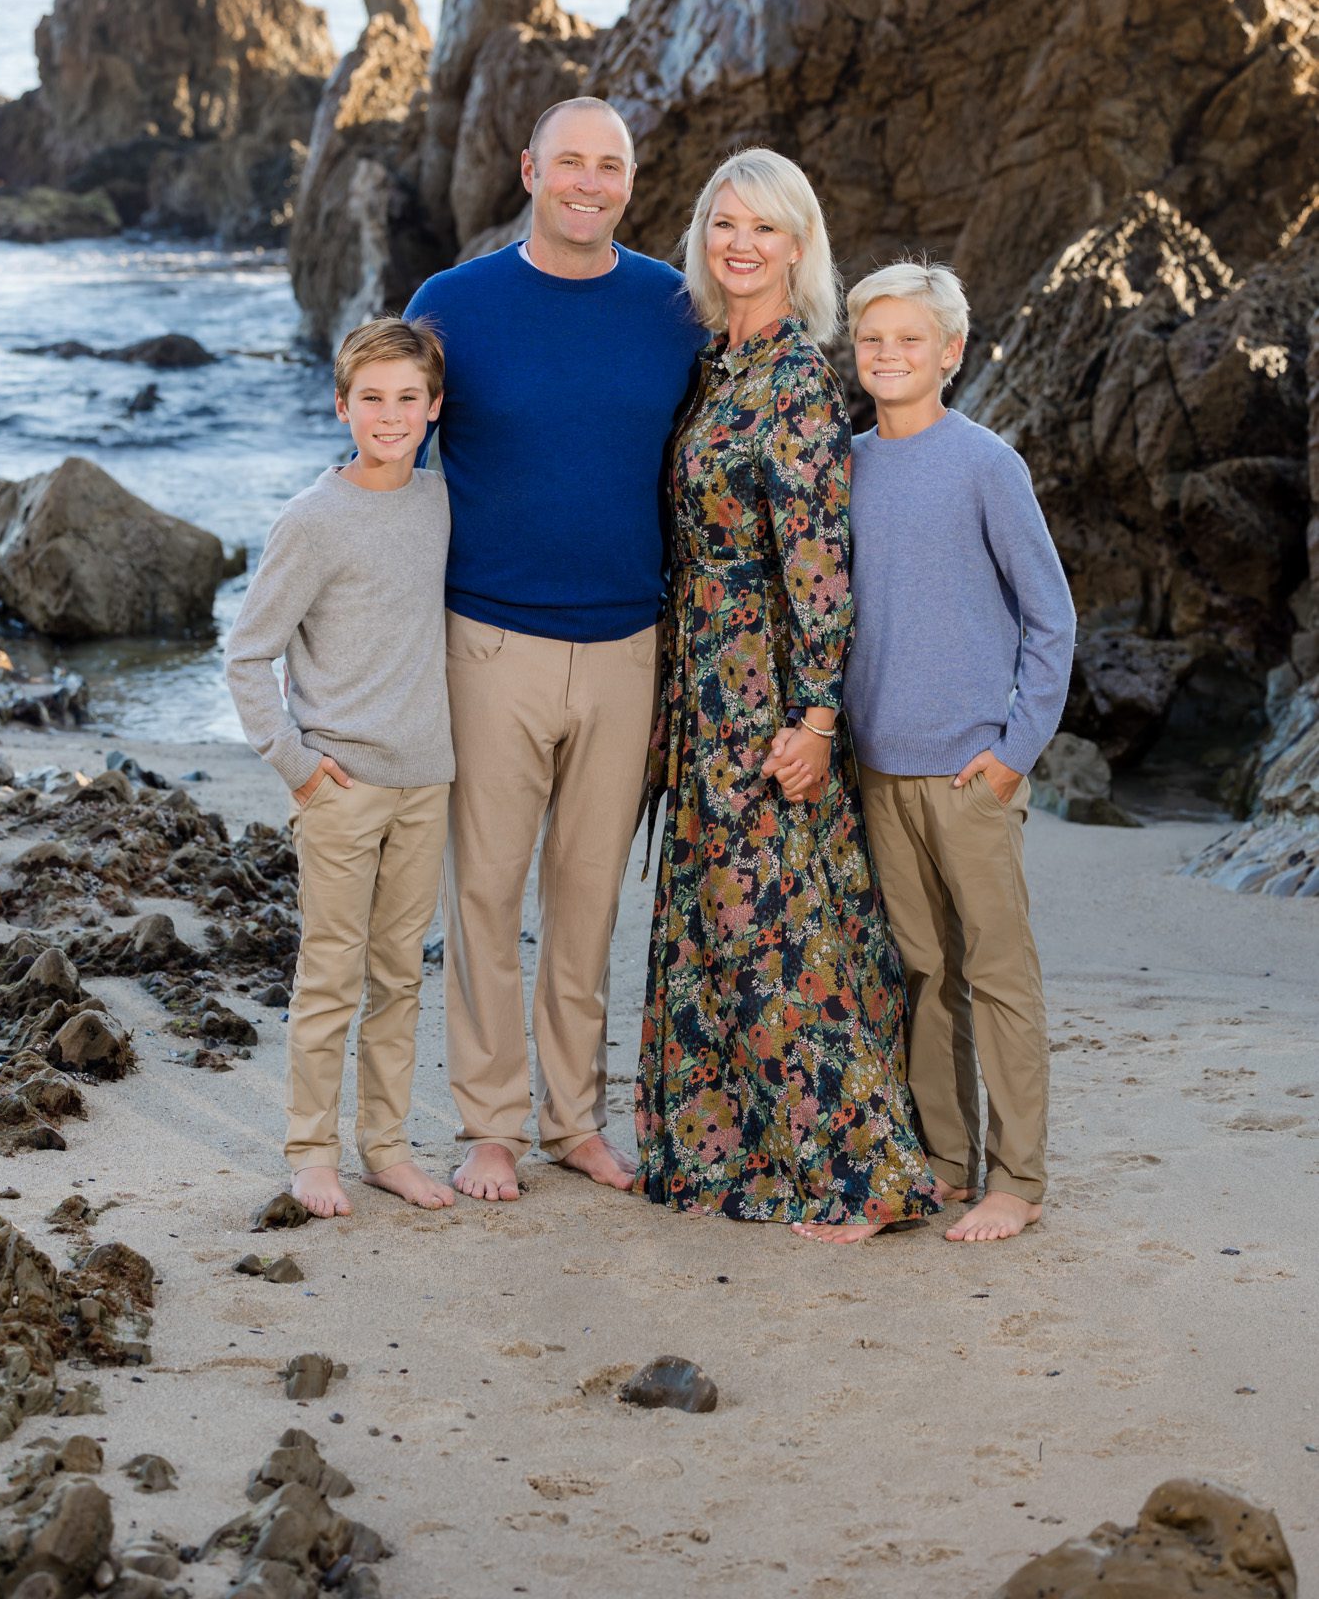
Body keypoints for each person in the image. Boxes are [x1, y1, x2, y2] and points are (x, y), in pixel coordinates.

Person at [634, 148, 938, 1242]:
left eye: (764, 226)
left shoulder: (800, 378)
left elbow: (818, 562)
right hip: (704, 684)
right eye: (725, 222)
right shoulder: (718, 360)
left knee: (787, 931)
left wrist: (812, 719)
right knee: (720, 929)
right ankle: (729, 1153)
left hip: (765, 690)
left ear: (798, 246)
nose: (741, 243)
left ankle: (868, 1178)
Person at [406, 97, 705, 1203]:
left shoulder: (675, 305)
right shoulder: (453, 302)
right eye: (569, 159)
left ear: (631, 179)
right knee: (484, 893)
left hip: (631, 645)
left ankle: (574, 1119)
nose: (589, 180)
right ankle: (489, 1123)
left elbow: (713, 465)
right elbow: (388, 450)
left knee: (587, 900)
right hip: (488, 642)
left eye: (610, 164)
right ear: (530, 167)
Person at [843, 261, 1076, 1242]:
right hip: (878, 769)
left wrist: (1018, 745)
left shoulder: (987, 463)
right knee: (920, 970)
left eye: (909, 339)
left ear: (951, 351)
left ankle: (1016, 1177)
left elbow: (1050, 618)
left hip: (971, 771)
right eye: (871, 340)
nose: (889, 355)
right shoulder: (845, 463)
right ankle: (943, 1160)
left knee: (997, 971)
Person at [225, 317, 455, 1219]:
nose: (390, 416)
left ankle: (387, 1147)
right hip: (340, 789)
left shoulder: (439, 503)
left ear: (434, 409)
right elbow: (248, 656)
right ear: (342, 406)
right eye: (372, 400)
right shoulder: (312, 520)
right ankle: (311, 1151)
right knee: (331, 975)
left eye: (408, 399)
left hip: (425, 780)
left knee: (400, 976)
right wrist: (296, 765)